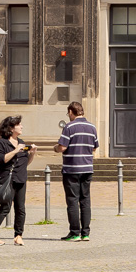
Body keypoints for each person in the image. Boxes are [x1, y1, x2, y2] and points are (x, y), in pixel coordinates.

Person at [0, 115, 35, 245]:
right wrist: (15, 150)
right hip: (8, 180)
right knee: (5, 208)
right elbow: (2, 160)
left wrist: (32, 153)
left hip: (21, 179)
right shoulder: (1, 143)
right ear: (11, 128)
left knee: (21, 209)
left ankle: (18, 235)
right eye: (19, 125)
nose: (21, 126)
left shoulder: (21, 142)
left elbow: (25, 163)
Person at [54, 101, 97, 241]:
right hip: (87, 168)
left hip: (71, 168)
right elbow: (94, 148)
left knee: (72, 200)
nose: (68, 116)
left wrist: (55, 147)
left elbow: (62, 147)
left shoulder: (69, 127)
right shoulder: (92, 127)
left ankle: (74, 233)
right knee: (85, 200)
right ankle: (86, 233)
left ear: (71, 112)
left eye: (68, 113)